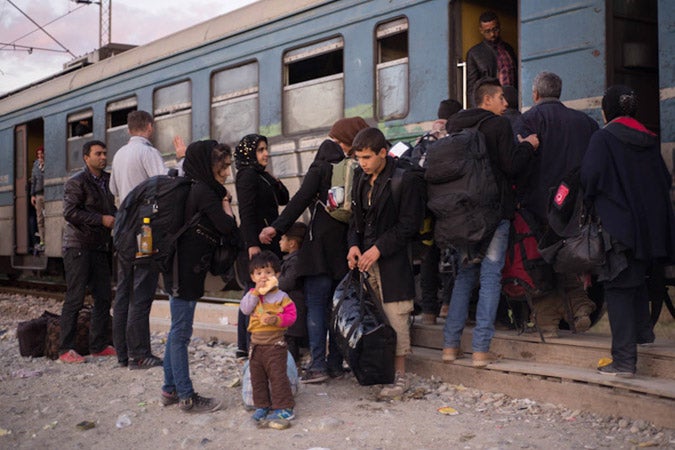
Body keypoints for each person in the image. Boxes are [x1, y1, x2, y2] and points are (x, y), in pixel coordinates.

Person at [259, 117, 369, 383]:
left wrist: (276, 227)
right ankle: (335, 363)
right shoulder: (356, 167)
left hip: (318, 247)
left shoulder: (322, 163)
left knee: (317, 306)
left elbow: (301, 199)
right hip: (345, 247)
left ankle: (318, 365)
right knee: (338, 306)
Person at [441, 78, 538, 367]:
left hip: (462, 216)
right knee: (491, 277)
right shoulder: (498, 125)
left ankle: (449, 346)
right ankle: (481, 350)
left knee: (464, 276)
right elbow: (512, 166)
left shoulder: (455, 127)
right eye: (501, 98)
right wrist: (528, 147)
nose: (506, 103)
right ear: (487, 100)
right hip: (494, 213)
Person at [581, 85, 675, 377]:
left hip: (618, 227)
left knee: (618, 288)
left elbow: (590, 178)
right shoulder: (649, 140)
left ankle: (623, 361)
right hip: (649, 229)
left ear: (606, 111)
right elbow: (663, 179)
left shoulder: (603, 138)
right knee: (635, 281)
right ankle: (643, 335)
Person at [513, 71, 600, 337]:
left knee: (539, 262)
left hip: (538, 205)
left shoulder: (527, 121)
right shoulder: (587, 123)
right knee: (565, 256)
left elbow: (519, 163)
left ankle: (549, 320)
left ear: (535, 94)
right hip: (576, 207)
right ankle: (579, 307)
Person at [347, 127, 426, 398]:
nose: (362, 163)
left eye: (367, 157)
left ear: (383, 152)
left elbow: (409, 225)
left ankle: (400, 377)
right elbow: (354, 221)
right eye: (358, 158)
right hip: (367, 262)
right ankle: (382, 372)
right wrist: (354, 246)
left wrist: (378, 248)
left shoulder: (405, 178)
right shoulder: (359, 177)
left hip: (393, 263)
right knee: (375, 318)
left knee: (396, 317)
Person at [160, 140, 236, 412]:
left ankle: (170, 389)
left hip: (181, 268)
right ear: (208, 165)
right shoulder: (204, 191)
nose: (226, 173)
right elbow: (227, 227)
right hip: (185, 271)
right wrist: (226, 203)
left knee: (177, 331)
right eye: (222, 167)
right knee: (181, 333)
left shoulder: (193, 186)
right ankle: (186, 396)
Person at [110, 110, 168, 369]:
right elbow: (164, 184)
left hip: (122, 228)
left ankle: (122, 353)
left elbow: (113, 190)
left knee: (123, 291)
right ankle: (140, 354)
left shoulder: (119, 154)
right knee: (142, 292)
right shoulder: (149, 153)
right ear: (149, 127)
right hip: (144, 228)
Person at [58, 140, 117, 363]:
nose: (103, 157)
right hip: (78, 246)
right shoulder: (77, 182)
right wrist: (101, 219)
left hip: (99, 247)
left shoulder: (108, 181)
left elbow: (112, 209)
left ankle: (98, 345)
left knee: (103, 297)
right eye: (98, 154)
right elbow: (70, 212)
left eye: (105, 153)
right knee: (75, 297)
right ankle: (65, 348)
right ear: (86, 157)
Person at [235, 134, 289, 359]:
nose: (266, 153)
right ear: (249, 154)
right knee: (253, 291)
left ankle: (252, 341)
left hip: (268, 242)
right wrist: (252, 245)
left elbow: (284, 197)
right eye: (260, 150)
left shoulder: (260, 175)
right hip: (257, 244)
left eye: (266, 149)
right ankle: (245, 344)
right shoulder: (247, 176)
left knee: (261, 290)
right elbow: (246, 212)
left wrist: (272, 178)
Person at [415, 99, 462, 324]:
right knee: (452, 256)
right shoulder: (454, 138)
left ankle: (429, 312)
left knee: (427, 259)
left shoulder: (423, 139)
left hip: (425, 210)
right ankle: (448, 304)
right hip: (449, 210)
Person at [240, 251, 297, 422]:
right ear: (252, 277)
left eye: (268, 272)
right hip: (256, 345)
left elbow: (292, 317)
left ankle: (285, 407)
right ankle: (262, 405)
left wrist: (277, 319)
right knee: (257, 377)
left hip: (275, 344)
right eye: (259, 273)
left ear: (277, 275)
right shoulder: (252, 295)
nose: (263, 277)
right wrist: (256, 293)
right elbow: (245, 309)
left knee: (278, 376)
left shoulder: (282, 297)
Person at [466, 11, 517, 107]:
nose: (492, 34)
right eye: (487, 31)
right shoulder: (474, 53)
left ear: (499, 26)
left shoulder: (509, 49)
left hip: (512, 103)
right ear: (481, 30)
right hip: (492, 106)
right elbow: (472, 88)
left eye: (495, 29)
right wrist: (478, 111)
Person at [278, 221, 308, 364]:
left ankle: (292, 366)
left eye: (283, 239)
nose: (280, 241)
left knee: (290, 340)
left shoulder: (294, 261)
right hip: (292, 306)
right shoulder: (293, 260)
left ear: (292, 243)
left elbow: (287, 283)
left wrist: (275, 280)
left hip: (294, 306)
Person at [30, 146, 46, 252]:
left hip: (47, 193)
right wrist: (32, 195)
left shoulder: (48, 163)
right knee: (40, 219)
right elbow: (33, 181)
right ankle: (42, 241)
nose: (40, 155)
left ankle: (48, 239)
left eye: (42, 153)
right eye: (38, 154)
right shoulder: (35, 165)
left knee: (48, 217)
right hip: (38, 194)